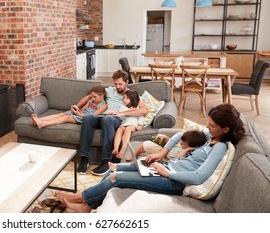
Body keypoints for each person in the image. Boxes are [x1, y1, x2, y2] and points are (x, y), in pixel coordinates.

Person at [55, 103, 245, 212]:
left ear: (226, 129)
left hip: (173, 181)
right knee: (115, 169)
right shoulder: (210, 137)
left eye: (212, 125)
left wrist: (167, 172)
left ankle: (79, 197)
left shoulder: (221, 147)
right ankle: (88, 205)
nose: (207, 128)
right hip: (167, 167)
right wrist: (165, 156)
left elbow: (198, 177)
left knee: (115, 177)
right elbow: (181, 135)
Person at [76, 70, 148, 176]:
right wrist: (78, 107)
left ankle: (106, 161)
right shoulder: (109, 90)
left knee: (107, 119)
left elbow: (144, 111)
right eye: (115, 84)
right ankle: (84, 159)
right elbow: (90, 96)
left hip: (115, 119)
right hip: (102, 116)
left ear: (127, 82)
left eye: (120, 84)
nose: (117, 87)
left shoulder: (131, 95)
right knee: (88, 118)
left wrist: (121, 114)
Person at [31, 85, 107, 129]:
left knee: (66, 118)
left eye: (95, 97)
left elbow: (92, 116)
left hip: (86, 118)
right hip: (81, 114)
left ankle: (43, 124)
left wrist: (78, 114)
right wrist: (76, 109)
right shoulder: (91, 100)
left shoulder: (104, 105)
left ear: (102, 96)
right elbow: (84, 109)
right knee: (61, 114)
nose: (92, 98)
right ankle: (38, 119)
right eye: (92, 96)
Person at [126, 129, 207, 163]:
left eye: (183, 144)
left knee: (148, 159)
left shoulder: (189, 152)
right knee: (146, 143)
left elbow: (177, 160)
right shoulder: (183, 141)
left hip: (168, 161)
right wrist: (166, 138)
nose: (181, 143)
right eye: (181, 141)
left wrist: (186, 149)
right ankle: (135, 154)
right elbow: (172, 145)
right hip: (164, 153)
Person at [111, 89, 144, 162]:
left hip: (132, 125)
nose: (124, 100)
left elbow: (141, 116)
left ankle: (123, 149)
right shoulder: (122, 107)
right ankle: (116, 148)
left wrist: (140, 125)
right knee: (120, 129)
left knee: (128, 129)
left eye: (127, 98)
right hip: (124, 124)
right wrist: (115, 114)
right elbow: (121, 116)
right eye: (124, 98)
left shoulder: (137, 107)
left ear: (132, 99)